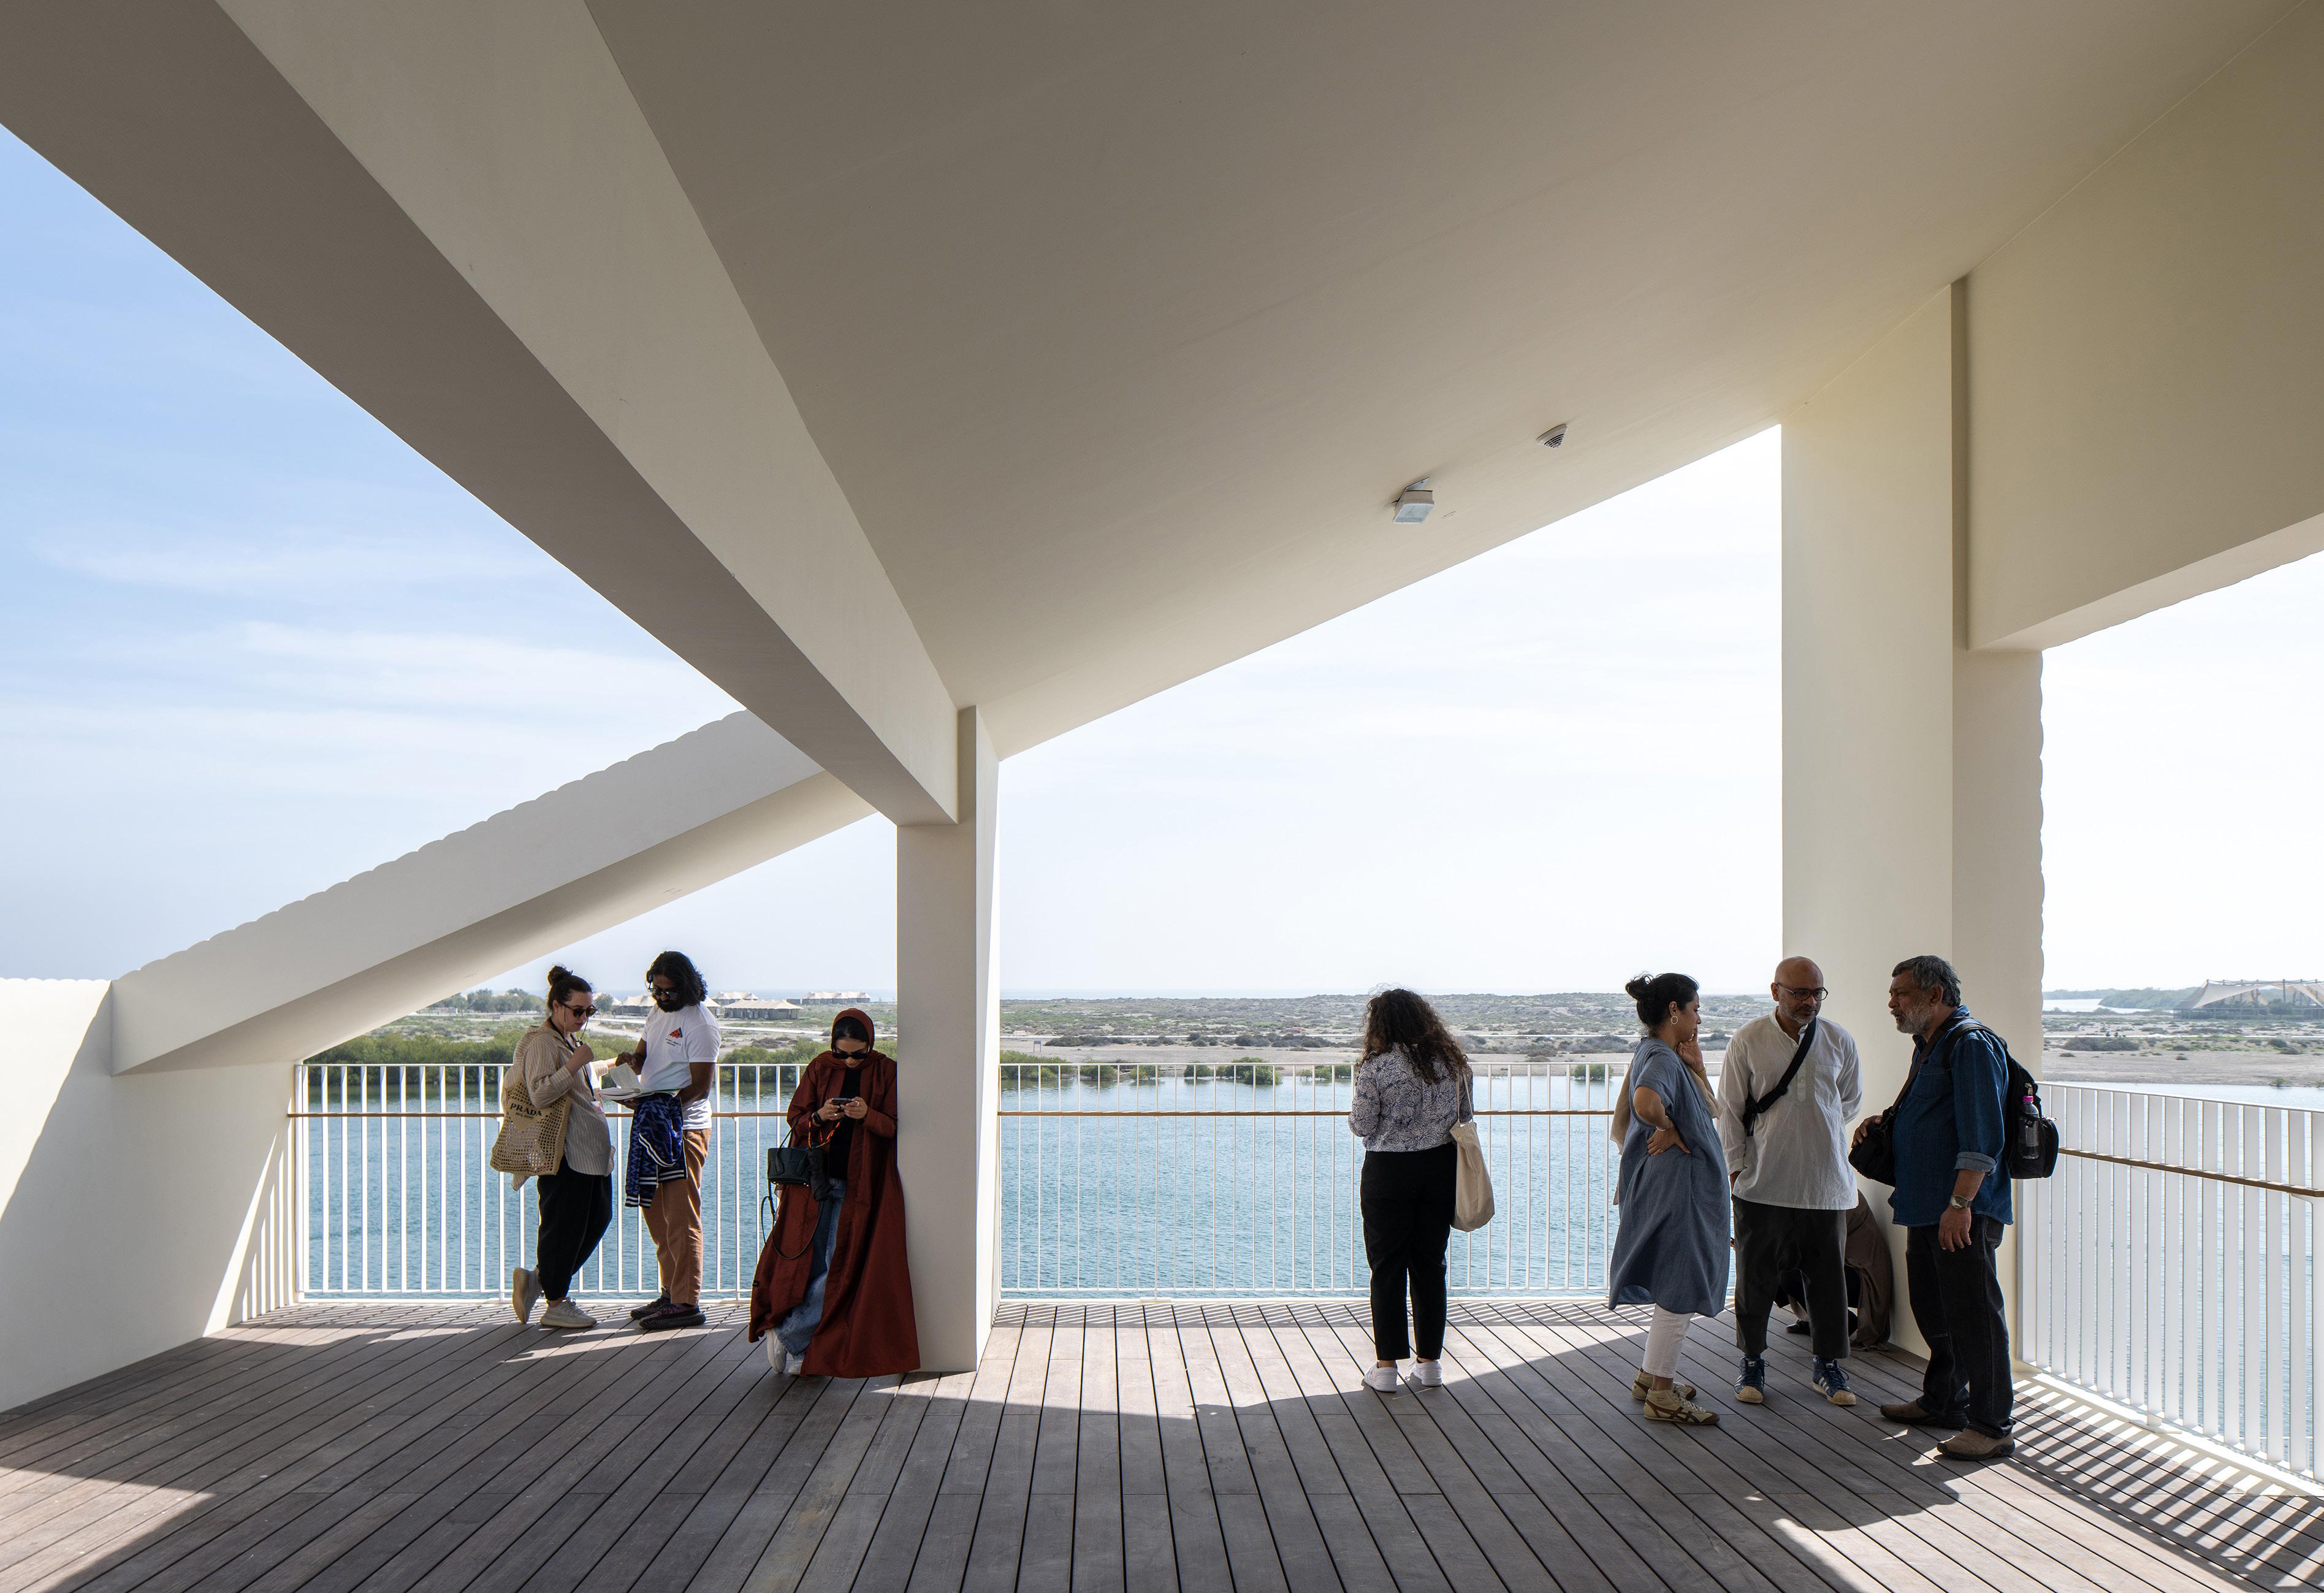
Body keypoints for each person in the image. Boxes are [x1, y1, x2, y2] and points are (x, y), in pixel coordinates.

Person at [1858, 953, 2016, 1460]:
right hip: (1926, 1206)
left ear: (1934, 995)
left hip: (1959, 1211)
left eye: (1900, 994)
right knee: (1936, 1310)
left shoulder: (1970, 1045)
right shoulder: (1930, 1045)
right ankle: (1943, 1401)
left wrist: (1960, 1203)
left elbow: (1982, 1137)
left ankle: (1991, 1426)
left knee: (1974, 1316)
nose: (1891, 1003)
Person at [1716, 956, 1863, 1407]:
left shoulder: (1838, 1039)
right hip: (1762, 1185)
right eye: (1799, 993)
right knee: (1755, 1281)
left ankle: (1828, 1365)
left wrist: (1813, 1133)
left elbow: (1848, 1102)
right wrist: (1737, 1169)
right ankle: (1752, 1361)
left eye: (1816, 993)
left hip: (1825, 1185)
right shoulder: (1748, 1040)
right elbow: (1729, 1109)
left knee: (1828, 1283)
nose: (1809, 1002)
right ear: (1775, 991)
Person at [749, 1009, 919, 1377]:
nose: (850, 1062)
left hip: (858, 1184)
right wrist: (821, 1116)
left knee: (837, 1265)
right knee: (803, 1260)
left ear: (871, 1045)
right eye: (842, 1054)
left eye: (859, 1054)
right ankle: (798, 1341)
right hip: (813, 1183)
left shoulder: (886, 1071)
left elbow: (892, 1127)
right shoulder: (820, 1067)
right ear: (832, 1046)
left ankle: (789, 1334)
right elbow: (797, 1119)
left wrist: (867, 1114)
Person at [1605, 972, 1728, 1425]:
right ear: (1674, 1011)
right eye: (1695, 1009)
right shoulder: (1660, 1056)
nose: (1699, 1018)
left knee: (1675, 1278)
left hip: (1675, 1188)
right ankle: (1661, 1395)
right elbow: (1645, 1102)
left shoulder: (1657, 1052)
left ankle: (1650, 1376)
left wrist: (1695, 1067)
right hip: (1681, 1190)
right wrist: (1668, 1127)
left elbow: (1700, 1107)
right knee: (1681, 1285)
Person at [1347, 988, 1476, 1391]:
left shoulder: (1377, 1066)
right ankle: (1430, 1364)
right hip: (1440, 1169)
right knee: (1430, 1265)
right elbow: (1465, 1115)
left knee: (1387, 1267)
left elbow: (1362, 1125)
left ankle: (1386, 1368)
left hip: (1389, 1172)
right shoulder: (1453, 1062)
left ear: (1380, 1024)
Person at [614, 950, 718, 1331]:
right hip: (652, 1124)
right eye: (656, 990)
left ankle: (687, 1302)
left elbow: (701, 1086)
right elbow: (643, 1059)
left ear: (687, 987)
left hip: (683, 1129)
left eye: (668, 991)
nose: (661, 997)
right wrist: (631, 1066)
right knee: (657, 1214)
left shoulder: (700, 1023)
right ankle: (670, 1292)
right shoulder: (657, 1014)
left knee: (681, 1216)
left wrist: (662, 1106)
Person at [508, 966, 612, 1330]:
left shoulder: (566, 1040)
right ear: (556, 1006)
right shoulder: (543, 1042)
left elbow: (578, 1080)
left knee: (597, 1219)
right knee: (563, 1226)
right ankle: (555, 1302)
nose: (584, 1018)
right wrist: (575, 1064)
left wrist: (610, 1064)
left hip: (589, 1154)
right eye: (577, 1011)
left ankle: (541, 1280)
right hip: (565, 1152)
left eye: (589, 1011)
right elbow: (539, 1093)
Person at [1770, 1192, 1894, 1351]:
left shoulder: (1838, 1193)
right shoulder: (1810, 1192)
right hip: (1840, 1265)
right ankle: (1814, 1319)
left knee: (1790, 1272)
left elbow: (1819, 1244)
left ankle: (1840, 1322)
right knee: (1775, 1261)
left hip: (1861, 1275)